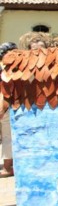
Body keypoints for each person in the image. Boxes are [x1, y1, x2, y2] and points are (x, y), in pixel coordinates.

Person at [0, 42, 17, 178]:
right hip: (6, 105)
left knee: (7, 137)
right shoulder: (9, 69)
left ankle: (7, 167)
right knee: (7, 137)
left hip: (5, 105)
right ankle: (7, 167)